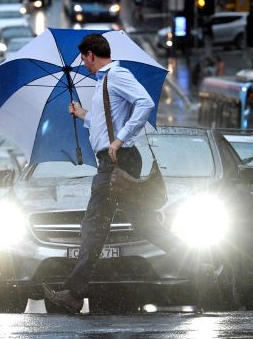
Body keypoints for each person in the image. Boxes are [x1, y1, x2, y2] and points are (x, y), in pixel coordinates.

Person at [43, 34, 182, 313]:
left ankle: (73, 292)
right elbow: (106, 119)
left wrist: (120, 138)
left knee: (94, 224)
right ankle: (198, 261)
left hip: (116, 161)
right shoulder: (103, 83)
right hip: (115, 160)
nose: (83, 64)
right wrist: (83, 114)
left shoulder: (116, 75)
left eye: (84, 58)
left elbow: (145, 103)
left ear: (92, 55)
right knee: (141, 224)